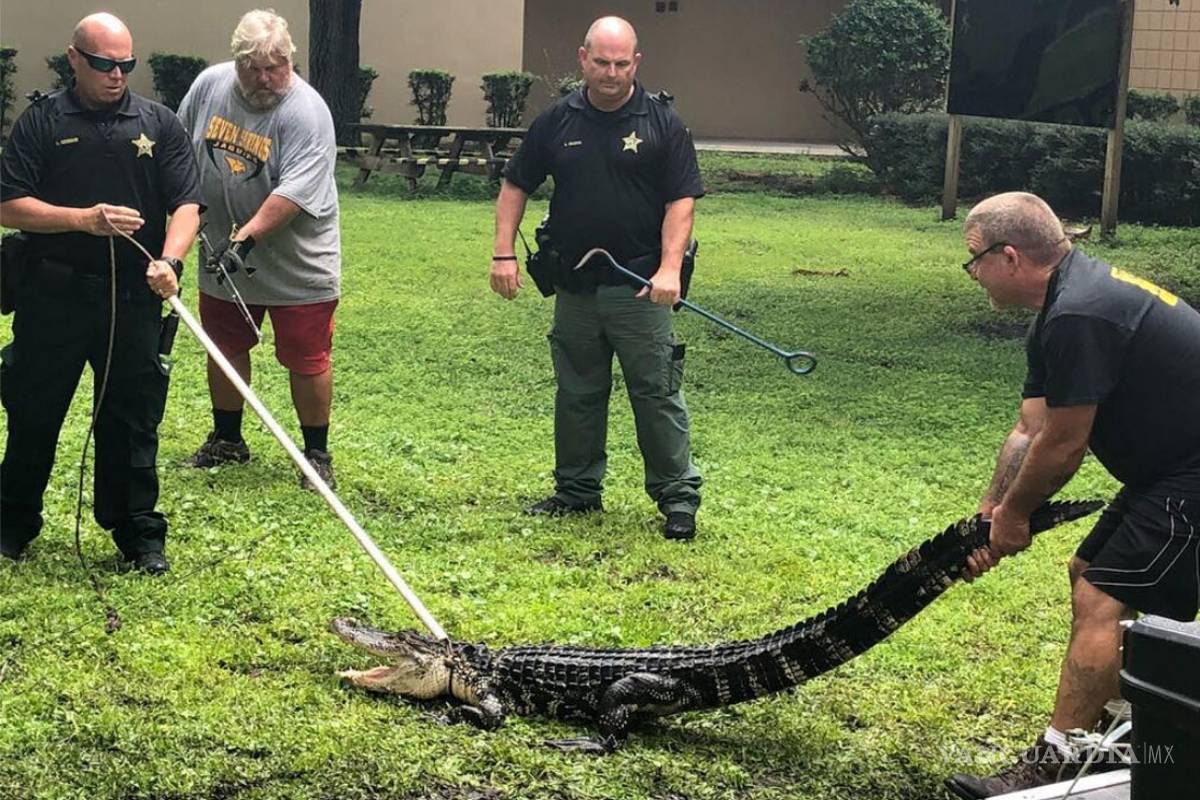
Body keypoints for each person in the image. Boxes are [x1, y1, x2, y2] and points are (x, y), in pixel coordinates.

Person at [945, 192, 1200, 798]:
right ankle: (1127, 731)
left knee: (1101, 598)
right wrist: (992, 510)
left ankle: (1062, 757)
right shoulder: (1061, 307)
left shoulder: (1080, 314)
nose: (971, 274)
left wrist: (1016, 517)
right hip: (1166, 470)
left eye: (972, 261)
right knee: (1088, 569)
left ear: (1009, 257)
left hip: (1192, 472)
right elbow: (1029, 426)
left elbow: (1063, 446)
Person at [0, 12, 202, 574]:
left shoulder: (159, 123)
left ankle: (139, 535)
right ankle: (12, 522)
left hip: (133, 300)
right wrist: (81, 219)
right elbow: (7, 203)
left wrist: (171, 260)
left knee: (132, 420)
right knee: (33, 412)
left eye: (126, 65)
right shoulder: (41, 122)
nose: (117, 75)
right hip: (53, 295)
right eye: (104, 64)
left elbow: (187, 203)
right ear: (74, 58)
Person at [489, 16, 704, 540]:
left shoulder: (662, 123)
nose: (611, 73)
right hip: (576, 286)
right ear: (583, 58)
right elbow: (516, 185)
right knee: (577, 391)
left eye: (621, 63)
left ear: (637, 62)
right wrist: (503, 255)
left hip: (641, 287)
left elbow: (682, 201)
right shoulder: (557, 121)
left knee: (656, 393)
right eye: (602, 62)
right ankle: (577, 492)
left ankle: (677, 499)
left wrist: (670, 269)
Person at [177, 8, 341, 489]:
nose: (268, 78)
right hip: (222, 255)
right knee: (225, 348)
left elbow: (293, 193)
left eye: (278, 66)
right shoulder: (210, 86)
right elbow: (179, 148)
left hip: (297, 264)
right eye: (256, 69)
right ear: (237, 63)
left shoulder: (307, 112)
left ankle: (316, 454)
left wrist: (243, 240)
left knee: (306, 358)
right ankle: (228, 440)